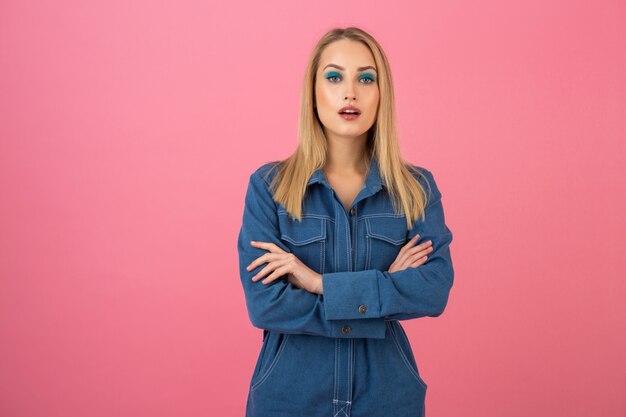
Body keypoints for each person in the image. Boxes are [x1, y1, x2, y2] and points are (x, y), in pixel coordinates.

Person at [237, 26, 454, 417]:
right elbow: (266, 306)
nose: (350, 92)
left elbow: (432, 290)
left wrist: (317, 283)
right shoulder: (269, 187)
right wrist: (379, 297)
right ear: (313, 92)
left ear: (381, 94)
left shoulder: (415, 188)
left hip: (388, 399)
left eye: (366, 78)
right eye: (334, 77)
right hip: (290, 400)